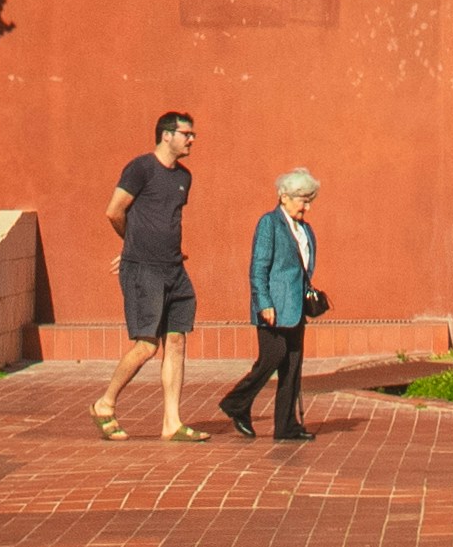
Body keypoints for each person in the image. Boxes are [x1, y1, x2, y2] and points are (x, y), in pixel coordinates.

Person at [94, 108, 207, 442]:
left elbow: (165, 221)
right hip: (144, 270)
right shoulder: (140, 168)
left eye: (192, 134)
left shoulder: (184, 177)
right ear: (166, 135)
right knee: (146, 346)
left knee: (176, 341)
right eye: (186, 134)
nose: (191, 139)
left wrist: (168, 251)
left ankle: (172, 422)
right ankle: (104, 403)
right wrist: (133, 248)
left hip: (175, 269)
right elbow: (114, 211)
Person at [218, 164, 321, 445]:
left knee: (292, 365)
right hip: (273, 307)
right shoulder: (269, 223)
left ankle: (286, 425)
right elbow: (258, 267)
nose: (307, 207)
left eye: (310, 201)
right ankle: (236, 403)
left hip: (296, 308)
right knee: (272, 357)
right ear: (285, 197)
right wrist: (263, 302)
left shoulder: (305, 229)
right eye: (303, 200)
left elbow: (302, 269)